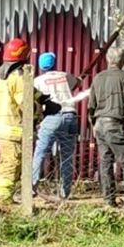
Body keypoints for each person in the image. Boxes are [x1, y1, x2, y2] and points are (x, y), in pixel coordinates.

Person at [0, 37, 46, 205]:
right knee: (11, 165)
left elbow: (30, 90)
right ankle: (2, 201)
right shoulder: (19, 76)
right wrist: (41, 111)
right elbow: (26, 103)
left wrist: (43, 98)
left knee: (6, 163)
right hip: (15, 129)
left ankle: (0, 198)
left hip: (3, 128)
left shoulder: (4, 74)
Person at [88, 46, 124, 208]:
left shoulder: (97, 77)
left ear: (108, 60)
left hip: (99, 125)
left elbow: (91, 105)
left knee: (105, 162)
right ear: (123, 61)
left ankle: (108, 200)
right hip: (114, 124)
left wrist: (93, 125)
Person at [31, 52, 88, 200]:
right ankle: (65, 193)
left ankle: (32, 187)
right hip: (70, 116)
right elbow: (77, 83)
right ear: (55, 62)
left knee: (40, 153)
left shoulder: (37, 81)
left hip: (51, 118)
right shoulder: (65, 75)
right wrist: (79, 78)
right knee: (67, 157)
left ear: (40, 65)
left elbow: (36, 101)